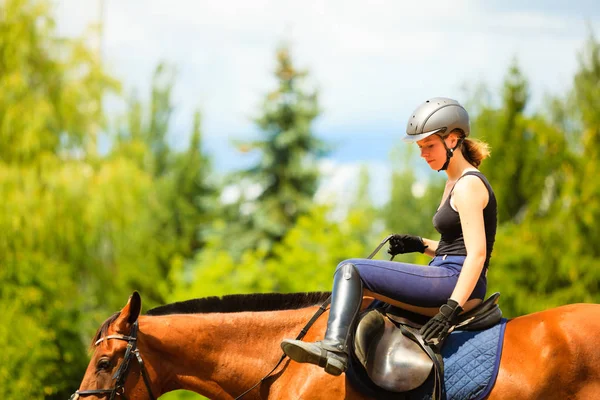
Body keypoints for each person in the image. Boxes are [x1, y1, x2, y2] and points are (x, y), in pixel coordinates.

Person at [281, 97, 497, 376]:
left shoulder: (469, 185)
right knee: (372, 304)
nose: (423, 155)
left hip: (455, 282)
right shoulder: (453, 182)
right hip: (446, 272)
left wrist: (450, 309)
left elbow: (476, 255)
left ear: (453, 140)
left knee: (351, 270)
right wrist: (419, 245)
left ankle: (334, 349)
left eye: (429, 146)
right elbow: (454, 248)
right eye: (420, 148)